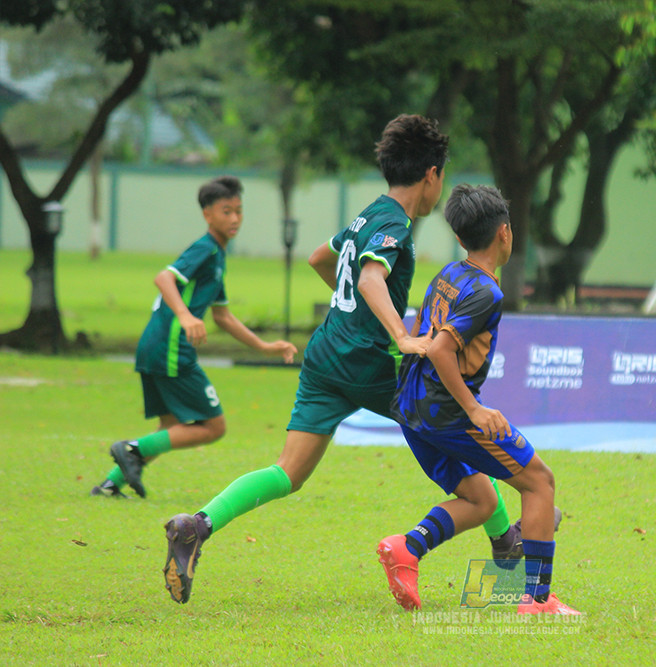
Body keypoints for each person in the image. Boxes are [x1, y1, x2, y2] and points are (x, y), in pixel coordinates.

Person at [160, 115, 521, 605]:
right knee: (454, 423)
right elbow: (371, 279)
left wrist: (350, 312)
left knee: (288, 472)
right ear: (432, 175)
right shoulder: (396, 225)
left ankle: (195, 525)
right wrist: (400, 334)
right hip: (372, 364)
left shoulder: (368, 214)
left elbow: (318, 259)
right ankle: (504, 539)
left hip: (326, 353)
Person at [376, 184, 580, 615]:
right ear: (504, 233)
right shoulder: (488, 292)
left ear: (461, 237)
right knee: (539, 482)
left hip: (411, 407)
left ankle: (406, 549)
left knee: (484, 500)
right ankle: (538, 599)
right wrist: (474, 407)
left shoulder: (449, 273)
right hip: (446, 412)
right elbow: (440, 349)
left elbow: (424, 336)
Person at [91, 175, 298, 500]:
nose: (234, 218)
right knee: (214, 427)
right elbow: (164, 278)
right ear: (207, 215)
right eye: (226, 211)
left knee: (171, 427)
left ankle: (109, 485)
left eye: (239, 211)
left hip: (155, 346)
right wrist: (186, 316)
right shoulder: (205, 249)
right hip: (171, 347)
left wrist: (265, 346)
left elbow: (222, 316)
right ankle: (130, 449)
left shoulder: (217, 258)